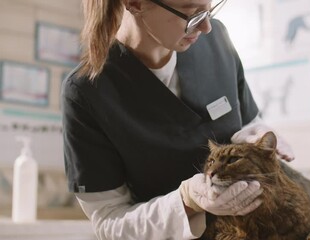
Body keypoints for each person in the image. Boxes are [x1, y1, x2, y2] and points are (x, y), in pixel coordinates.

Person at [61, 0, 295, 239]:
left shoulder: (218, 41)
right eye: (191, 13)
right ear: (134, 3)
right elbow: (110, 222)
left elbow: (248, 121)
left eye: (209, 9)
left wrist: (255, 134)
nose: (206, 27)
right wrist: (187, 200)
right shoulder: (86, 93)